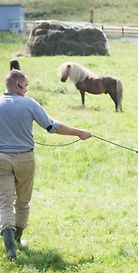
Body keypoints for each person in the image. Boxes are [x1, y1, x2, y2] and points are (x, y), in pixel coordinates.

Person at [0, 69, 92, 260]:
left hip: (1, 159)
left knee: (4, 203)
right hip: (25, 158)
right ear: (18, 85)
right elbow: (52, 126)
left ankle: (10, 250)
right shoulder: (29, 104)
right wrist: (78, 132)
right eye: (25, 85)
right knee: (23, 201)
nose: (27, 89)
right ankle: (17, 239)